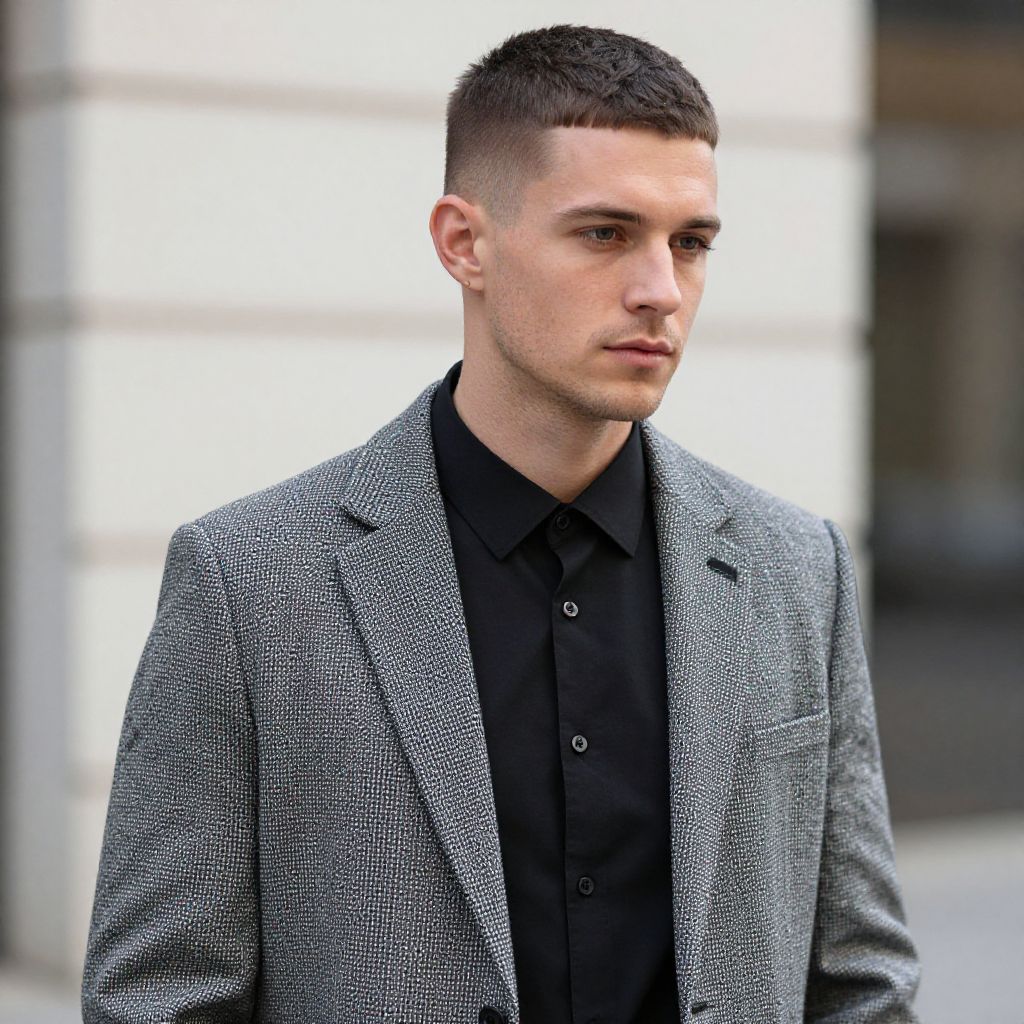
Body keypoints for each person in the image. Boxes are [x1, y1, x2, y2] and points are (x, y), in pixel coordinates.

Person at [81, 24, 920, 1024]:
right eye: (605, 233)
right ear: (463, 242)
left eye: (689, 243)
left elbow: (863, 983)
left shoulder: (795, 568)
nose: (661, 290)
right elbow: (157, 1001)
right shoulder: (246, 581)